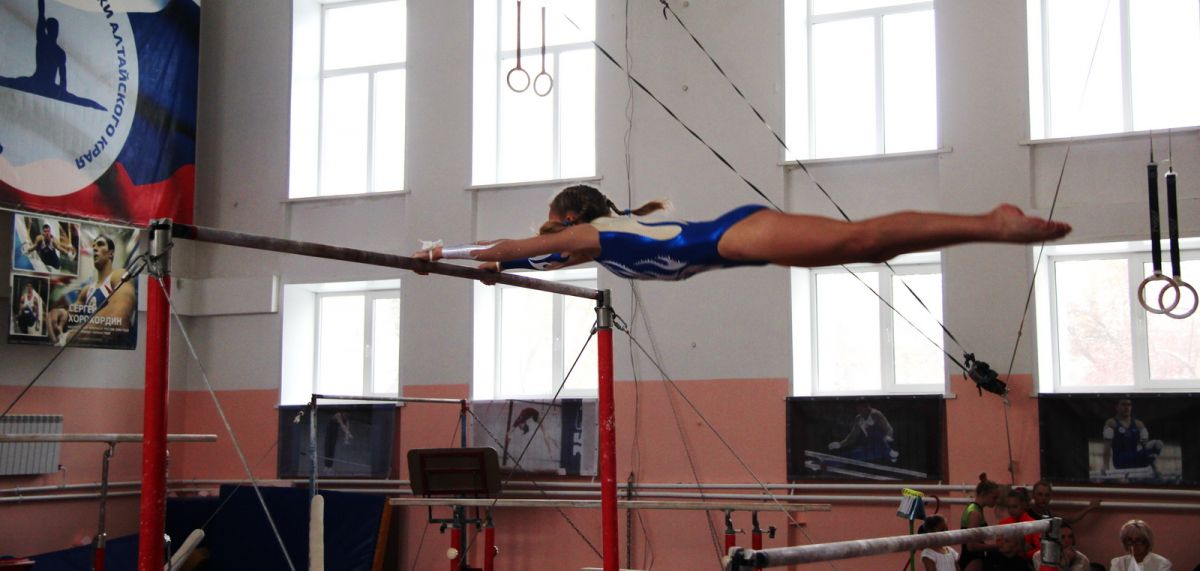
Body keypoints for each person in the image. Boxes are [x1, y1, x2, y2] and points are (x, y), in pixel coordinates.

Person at [414, 185, 1072, 281]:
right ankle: (988, 225)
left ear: (568, 220)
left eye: (554, 228)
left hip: (731, 236)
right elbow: (526, 262)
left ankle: (993, 222)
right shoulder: (594, 247)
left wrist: (443, 252)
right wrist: (491, 270)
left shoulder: (592, 238)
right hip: (735, 248)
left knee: (861, 240)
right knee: (873, 249)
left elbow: (513, 248)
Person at [47, 234, 135, 344]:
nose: (95, 248)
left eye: (100, 244)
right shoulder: (87, 290)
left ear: (111, 253)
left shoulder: (119, 275)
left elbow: (119, 319)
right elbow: (71, 314)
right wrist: (60, 314)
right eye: (93, 246)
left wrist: (69, 337)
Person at [1102, 399, 1163, 477]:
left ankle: (1154, 469)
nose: (1126, 407)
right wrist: (1106, 466)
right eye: (1123, 404)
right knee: (1153, 445)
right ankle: (1152, 469)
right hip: (1120, 461)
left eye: (1129, 405)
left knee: (1158, 444)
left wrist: (1155, 468)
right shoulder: (1112, 423)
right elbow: (1106, 448)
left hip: (1135, 459)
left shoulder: (1139, 424)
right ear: (1117, 407)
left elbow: (1146, 449)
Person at [828, 400, 899, 462]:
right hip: (870, 446)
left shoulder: (875, 414)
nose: (860, 412)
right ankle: (829, 462)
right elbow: (853, 436)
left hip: (882, 442)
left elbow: (888, 427)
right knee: (850, 456)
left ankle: (888, 452)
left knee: (872, 429)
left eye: (862, 409)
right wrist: (840, 444)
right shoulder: (858, 418)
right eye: (859, 410)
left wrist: (888, 436)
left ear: (868, 407)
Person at [962, 473, 1003, 571]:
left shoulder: (975, 509)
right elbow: (971, 546)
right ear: (984, 493)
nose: (996, 501)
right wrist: (997, 546)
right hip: (972, 559)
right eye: (994, 497)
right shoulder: (975, 513)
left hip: (972, 558)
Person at [1030, 479, 1100, 525]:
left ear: (1050, 497)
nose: (1043, 498)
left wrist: (1090, 507)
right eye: (1040, 494)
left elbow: (1071, 519)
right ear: (1033, 495)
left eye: (1047, 495)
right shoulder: (1027, 512)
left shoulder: (1050, 514)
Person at [996, 487, 1040, 560]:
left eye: (1014, 507)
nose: (1011, 510)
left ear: (1024, 505)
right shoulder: (1003, 523)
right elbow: (999, 546)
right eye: (1008, 507)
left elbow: (1039, 549)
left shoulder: (1033, 524)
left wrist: (1025, 554)